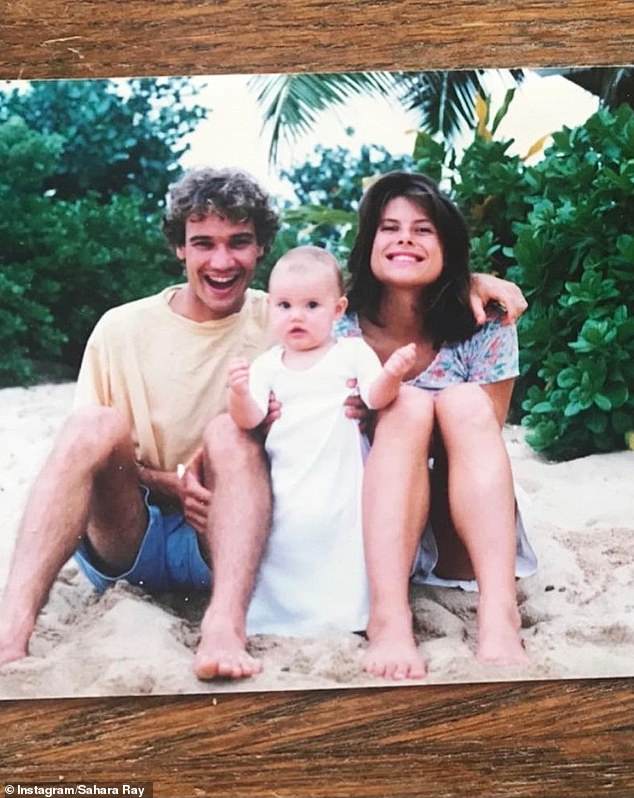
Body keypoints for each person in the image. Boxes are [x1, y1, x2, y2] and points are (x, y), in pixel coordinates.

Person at [0, 166, 528, 681]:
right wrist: (171, 483)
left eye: (240, 242)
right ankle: (11, 626)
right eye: (203, 243)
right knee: (93, 424)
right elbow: (83, 463)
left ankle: (226, 624)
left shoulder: (292, 317)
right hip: (132, 525)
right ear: (179, 247)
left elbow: (373, 297)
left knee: (235, 433)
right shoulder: (125, 328)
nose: (222, 260)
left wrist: (470, 280)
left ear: (261, 251)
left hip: (230, 538)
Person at [336, 171, 537, 680]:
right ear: (368, 243)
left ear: (447, 246)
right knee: (405, 407)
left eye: (424, 230)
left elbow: (482, 437)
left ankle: (499, 612)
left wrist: (472, 282)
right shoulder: (332, 323)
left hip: (457, 536)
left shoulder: (486, 324)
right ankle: (389, 618)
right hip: (365, 533)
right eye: (388, 227)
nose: (405, 238)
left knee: (464, 403)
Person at [228, 246, 415, 636]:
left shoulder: (350, 352)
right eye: (284, 305)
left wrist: (392, 374)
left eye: (311, 305)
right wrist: (240, 393)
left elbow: (375, 396)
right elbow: (250, 418)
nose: (296, 315)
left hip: (340, 483)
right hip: (288, 483)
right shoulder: (267, 365)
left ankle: (349, 617)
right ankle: (279, 619)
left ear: (338, 309)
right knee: (285, 545)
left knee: (343, 549)